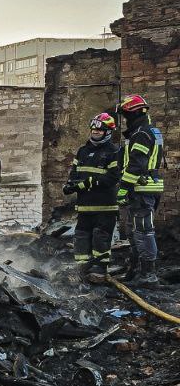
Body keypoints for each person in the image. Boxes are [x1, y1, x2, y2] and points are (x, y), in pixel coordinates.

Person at [63, 113, 120, 280]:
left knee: (100, 238)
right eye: (93, 129)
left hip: (105, 206)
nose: (95, 132)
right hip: (84, 206)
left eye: (99, 130)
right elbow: (74, 173)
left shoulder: (114, 151)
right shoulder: (83, 151)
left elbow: (113, 177)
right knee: (81, 236)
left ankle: (99, 270)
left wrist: (89, 183)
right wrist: (69, 185)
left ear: (108, 132)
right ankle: (81, 268)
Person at [115, 95, 164, 285]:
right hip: (142, 189)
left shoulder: (142, 134)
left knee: (143, 231)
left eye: (126, 115)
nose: (125, 119)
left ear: (134, 113)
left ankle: (148, 275)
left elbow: (136, 165)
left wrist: (123, 188)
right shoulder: (148, 131)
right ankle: (135, 270)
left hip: (142, 189)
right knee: (133, 230)